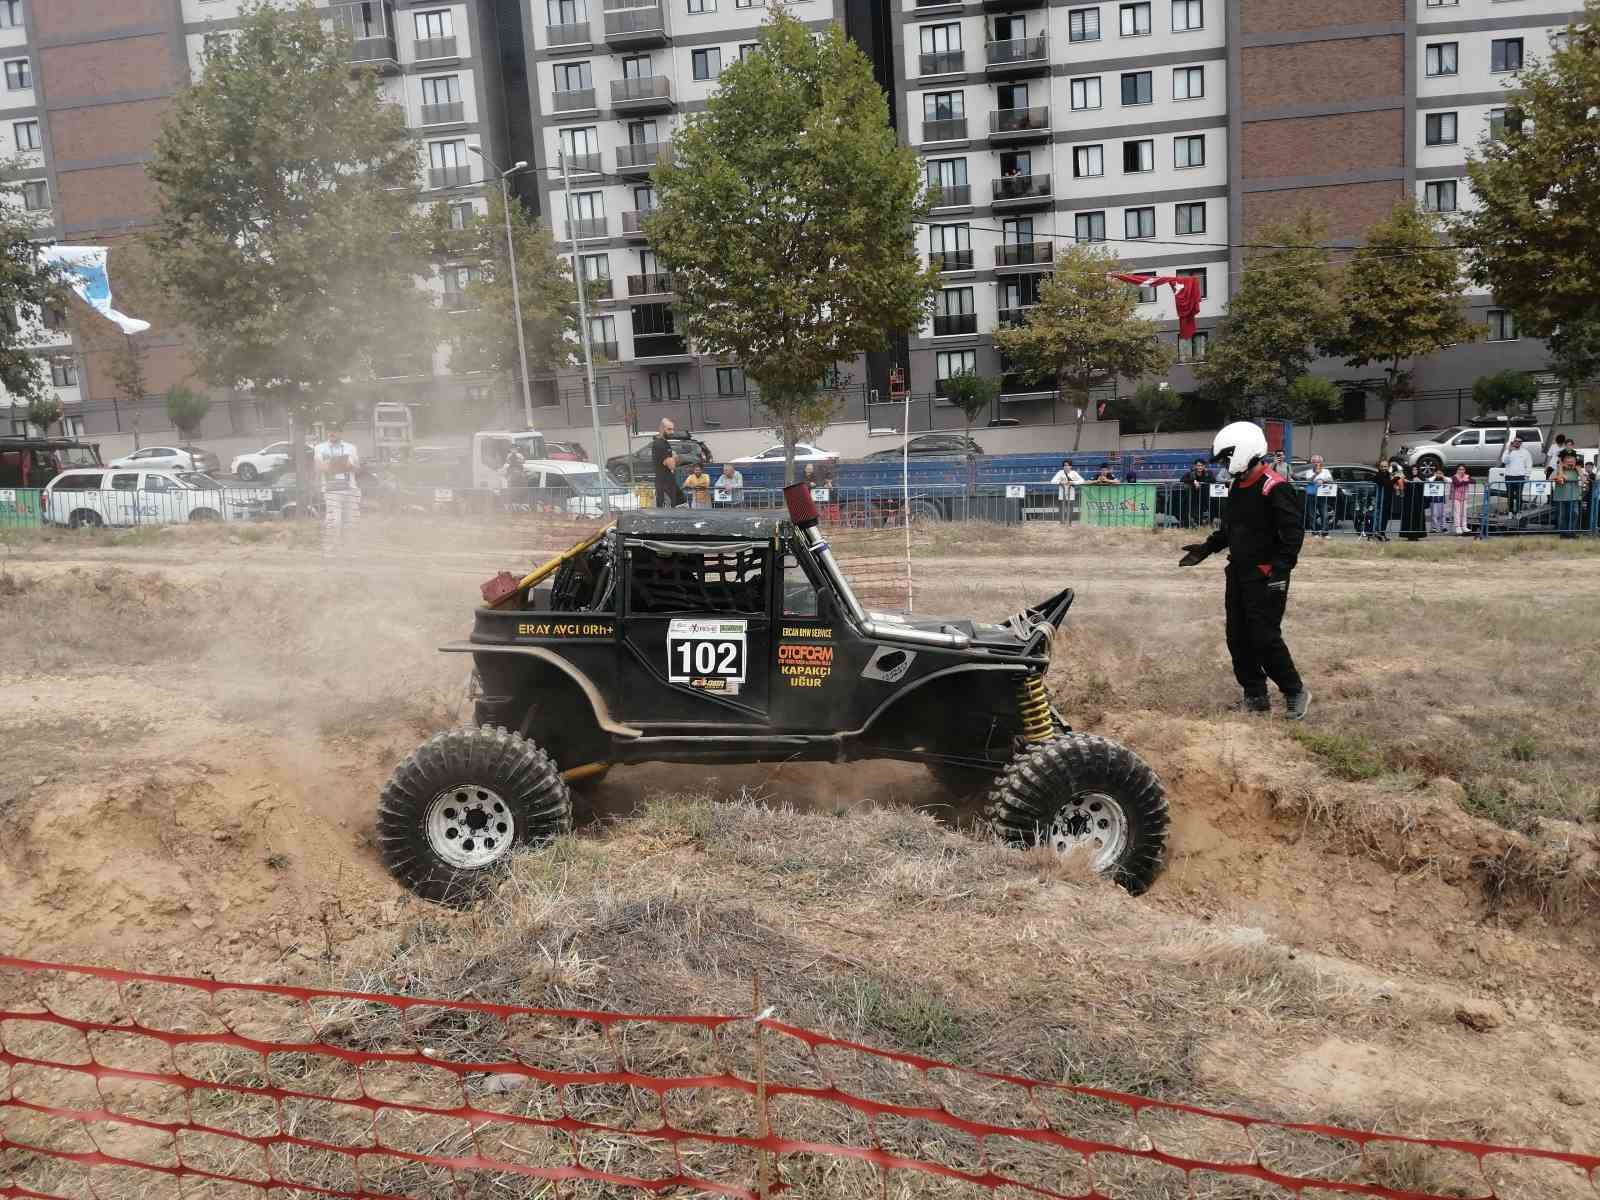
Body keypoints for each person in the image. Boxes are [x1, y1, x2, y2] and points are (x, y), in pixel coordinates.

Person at [1179, 420, 1309, 720]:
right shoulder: (1238, 486)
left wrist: (1279, 571)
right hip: (1238, 572)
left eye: (1226, 457)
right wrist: (1206, 549)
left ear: (1244, 452)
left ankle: (1294, 691)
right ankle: (1255, 695)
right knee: (1237, 637)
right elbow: (1230, 529)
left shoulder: (1275, 487)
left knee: (1264, 637)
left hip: (1266, 575)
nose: (1224, 464)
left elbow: (1293, 535)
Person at [313, 419, 361, 559]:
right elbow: (318, 467)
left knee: (352, 522)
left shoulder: (351, 448)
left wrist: (349, 466)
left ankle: (352, 552)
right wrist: (337, 465)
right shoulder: (319, 448)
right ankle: (330, 552)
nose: (331, 433)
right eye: (329, 430)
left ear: (341, 432)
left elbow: (358, 470)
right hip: (331, 489)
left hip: (350, 488)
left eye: (334, 430)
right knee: (334, 522)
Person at [651, 418, 684, 508]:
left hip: (669, 484)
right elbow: (672, 465)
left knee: (680, 503)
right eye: (669, 429)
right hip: (664, 486)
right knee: (667, 513)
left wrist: (673, 458)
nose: (672, 432)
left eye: (672, 429)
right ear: (662, 429)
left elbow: (676, 460)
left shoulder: (665, 443)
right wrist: (674, 457)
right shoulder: (659, 444)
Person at [1300, 456, 1333, 538]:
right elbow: (1308, 480)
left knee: (1324, 514)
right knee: (1312, 514)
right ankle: (1314, 532)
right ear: (1312, 463)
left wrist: (1323, 480)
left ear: (1321, 463)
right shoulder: (1309, 471)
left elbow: (1331, 480)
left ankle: (1325, 533)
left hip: (1322, 495)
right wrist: (1316, 474)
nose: (1316, 463)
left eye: (1318, 462)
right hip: (1311, 494)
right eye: (1314, 462)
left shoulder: (1326, 471)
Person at [1551, 447, 1581, 539]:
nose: (1570, 460)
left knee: (1574, 514)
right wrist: (1560, 469)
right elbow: (1550, 477)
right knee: (1563, 515)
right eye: (1567, 458)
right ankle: (1564, 533)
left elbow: (1584, 479)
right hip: (1561, 497)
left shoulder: (1577, 469)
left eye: (1572, 458)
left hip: (1574, 496)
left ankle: (1571, 532)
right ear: (1563, 459)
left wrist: (1579, 471)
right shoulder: (1558, 468)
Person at [1501, 436, 1533, 515]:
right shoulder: (1507, 451)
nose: (1517, 443)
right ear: (1513, 442)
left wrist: (1527, 475)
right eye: (1516, 441)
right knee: (1510, 495)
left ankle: (1519, 511)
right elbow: (1504, 461)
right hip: (1509, 476)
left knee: (1519, 495)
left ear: (1521, 443)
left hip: (1520, 476)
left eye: (1519, 441)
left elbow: (1529, 464)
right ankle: (1510, 511)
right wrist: (1509, 451)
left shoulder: (1525, 452)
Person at [1050, 458, 1084, 523]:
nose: (1066, 467)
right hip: (1062, 494)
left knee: (1070, 509)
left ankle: (1069, 523)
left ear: (1071, 466)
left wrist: (1073, 482)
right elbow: (1052, 481)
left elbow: (1082, 480)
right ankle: (1062, 522)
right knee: (1061, 510)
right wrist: (1060, 482)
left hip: (1071, 494)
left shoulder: (1074, 473)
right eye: (1064, 465)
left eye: (1067, 465)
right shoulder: (1060, 472)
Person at [1183, 459, 1213, 529]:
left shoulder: (1208, 473)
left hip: (1204, 495)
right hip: (1194, 496)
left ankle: (1201, 525)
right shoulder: (1191, 473)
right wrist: (1194, 481)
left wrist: (1201, 482)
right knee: (1194, 511)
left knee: (1202, 510)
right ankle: (1195, 525)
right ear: (1195, 466)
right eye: (1198, 465)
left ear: (1204, 466)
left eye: (1201, 465)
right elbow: (1182, 479)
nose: (1200, 467)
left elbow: (1213, 480)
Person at [1425, 464, 1449, 534]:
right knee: (1434, 514)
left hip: (1441, 499)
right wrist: (1435, 476)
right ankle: (1434, 527)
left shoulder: (1444, 479)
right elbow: (1429, 480)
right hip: (1433, 499)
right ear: (1435, 473)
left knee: (1443, 514)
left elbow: (1449, 481)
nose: (1439, 474)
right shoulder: (1432, 479)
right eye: (1437, 473)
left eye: (1440, 473)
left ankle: (1443, 527)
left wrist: (1442, 476)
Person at [1450, 464, 1472, 535]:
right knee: (1457, 512)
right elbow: (1457, 483)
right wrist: (1465, 481)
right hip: (1456, 496)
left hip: (1464, 497)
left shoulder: (1467, 476)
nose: (1461, 471)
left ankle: (1464, 526)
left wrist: (1465, 480)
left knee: (1464, 512)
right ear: (1457, 470)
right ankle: (1458, 527)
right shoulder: (1454, 477)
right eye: (1459, 469)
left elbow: (1473, 481)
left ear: (1465, 470)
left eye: (1462, 469)